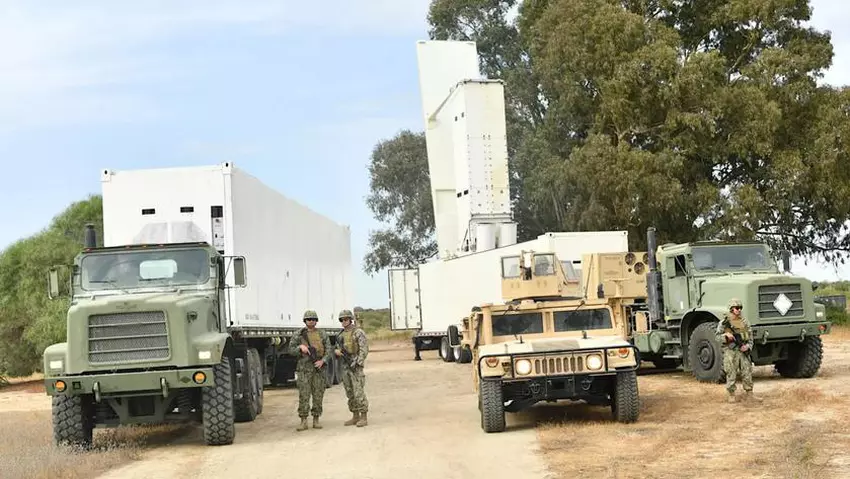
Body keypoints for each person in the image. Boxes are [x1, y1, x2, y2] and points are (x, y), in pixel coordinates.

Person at [289, 309, 332, 431]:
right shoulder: (298, 334)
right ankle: (303, 420)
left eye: (313, 319)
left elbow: (328, 349)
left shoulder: (322, 334)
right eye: (308, 319)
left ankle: (316, 419)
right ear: (305, 321)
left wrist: (323, 361)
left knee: (318, 394)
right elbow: (290, 350)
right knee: (304, 395)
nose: (311, 321)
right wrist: (300, 347)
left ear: (316, 321)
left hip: (318, 369)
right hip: (304, 369)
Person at [716, 298, 762, 403]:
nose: (739, 310)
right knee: (731, 372)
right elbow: (717, 338)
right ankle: (731, 394)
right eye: (737, 308)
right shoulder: (724, 323)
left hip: (743, 350)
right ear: (731, 309)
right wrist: (726, 336)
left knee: (747, 371)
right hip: (731, 351)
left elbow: (750, 338)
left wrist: (748, 347)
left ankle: (749, 394)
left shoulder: (745, 322)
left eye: (740, 308)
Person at [335, 309, 370, 427]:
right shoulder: (340, 335)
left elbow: (364, 349)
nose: (344, 321)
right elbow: (337, 348)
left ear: (351, 320)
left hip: (355, 366)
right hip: (345, 366)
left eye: (346, 319)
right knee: (349, 392)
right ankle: (355, 416)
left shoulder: (358, 332)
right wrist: (337, 352)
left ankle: (363, 416)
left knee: (358, 391)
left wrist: (358, 362)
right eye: (342, 320)